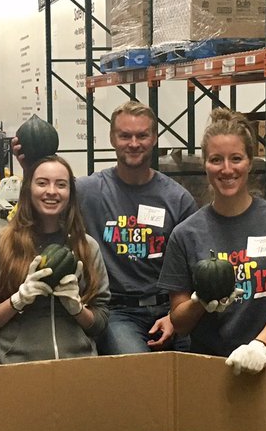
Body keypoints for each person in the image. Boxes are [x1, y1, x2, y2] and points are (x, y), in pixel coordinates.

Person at [158, 109, 266, 374]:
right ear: (205, 164)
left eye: (236, 158)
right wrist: (199, 302)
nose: (227, 169)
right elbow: (179, 322)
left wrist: (260, 347)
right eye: (216, 160)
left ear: (250, 162)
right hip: (214, 371)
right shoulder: (185, 234)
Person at [74, 101, 198, 354]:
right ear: (112, 138)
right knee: (137, 370)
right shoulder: (87, 192)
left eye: (142, 135)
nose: (133, 143)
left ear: (154, 138)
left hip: (170, 307)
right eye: (125, 136)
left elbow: (194, 266)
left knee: (195, 371)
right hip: (118, 312)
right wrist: (30, 165)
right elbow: (43, 203)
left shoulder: (178, 199)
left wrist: (176, 318)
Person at [0, 154, 111, 363]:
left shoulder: (87, 247)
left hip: (76, 365)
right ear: (28, 189)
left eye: (61, 185)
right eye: (42, 183)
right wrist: (17, 301)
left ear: (70, 194)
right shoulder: (0, 244)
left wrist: (77, 309)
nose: (52, 191)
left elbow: (100, 322)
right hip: (14, 366)